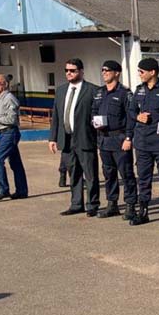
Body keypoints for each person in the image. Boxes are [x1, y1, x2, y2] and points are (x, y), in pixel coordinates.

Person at [49, 58, 100, 217]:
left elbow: (97, 116)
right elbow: (56, 116)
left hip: (85, 138)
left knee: (90, 174)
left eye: (72, 70)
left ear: (81, 71)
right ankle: (76, 204)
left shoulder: (92, 90)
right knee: (74, 173)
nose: (69, 73)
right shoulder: (61, 90)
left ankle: (92, 204)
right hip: (66, 138)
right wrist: (53, 138)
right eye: (67, 70)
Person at [127, 58, 159, 226]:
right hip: (142, 142)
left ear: (152, 72)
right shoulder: (139, 90)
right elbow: (131, 111)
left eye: (141, 71)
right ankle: (143, 212)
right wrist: (137, 116)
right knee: (144, 178)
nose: (139, 74)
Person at [91, 60, 137, 219]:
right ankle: (112, 204)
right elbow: (94, 111)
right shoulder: (99, 92)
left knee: (127, 174)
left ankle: (131, 205)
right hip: (104, 139)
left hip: (120, 139)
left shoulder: (125, 93)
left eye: (107, 70)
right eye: (102, 70)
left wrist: (129, 137)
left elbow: (131, 118)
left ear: (117, 73)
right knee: (108, 174)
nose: (104, 72)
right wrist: (94, 122)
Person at [0, 74, 27, 200]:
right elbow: (2, 115)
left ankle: (3, 189)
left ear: (5, 84)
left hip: (9, 133)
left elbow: (11, 119)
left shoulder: (9, 98)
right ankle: (22, 191)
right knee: (15, 163)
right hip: (3, 133)